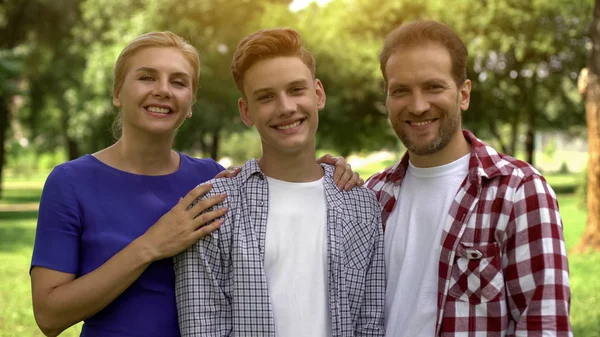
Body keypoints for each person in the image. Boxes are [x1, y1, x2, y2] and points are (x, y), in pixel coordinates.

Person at [30, 31, 359, 337]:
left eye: (178, 82)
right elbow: (49, 316)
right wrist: (150, 246)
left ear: (190, 104)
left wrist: (328, 171)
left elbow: (281, 180)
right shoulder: (70, 182)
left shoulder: (210, 179)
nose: (163, 90)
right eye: (147, 77)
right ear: (117, 92)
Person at [174, 28, 386, 337]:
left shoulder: (361, 205)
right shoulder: (214, 208)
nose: (286, 107)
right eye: (266, 97)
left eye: (296, 90)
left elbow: (370, 324)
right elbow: (202, 328)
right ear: (246, 111)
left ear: (318, 94)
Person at [366, 20, 572, 336]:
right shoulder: (373, 195)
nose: (418, 106)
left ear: (463, 94)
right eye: (401, 91)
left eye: (434, 87)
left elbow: (544, 326)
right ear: (387, 99)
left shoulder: (519, 192)